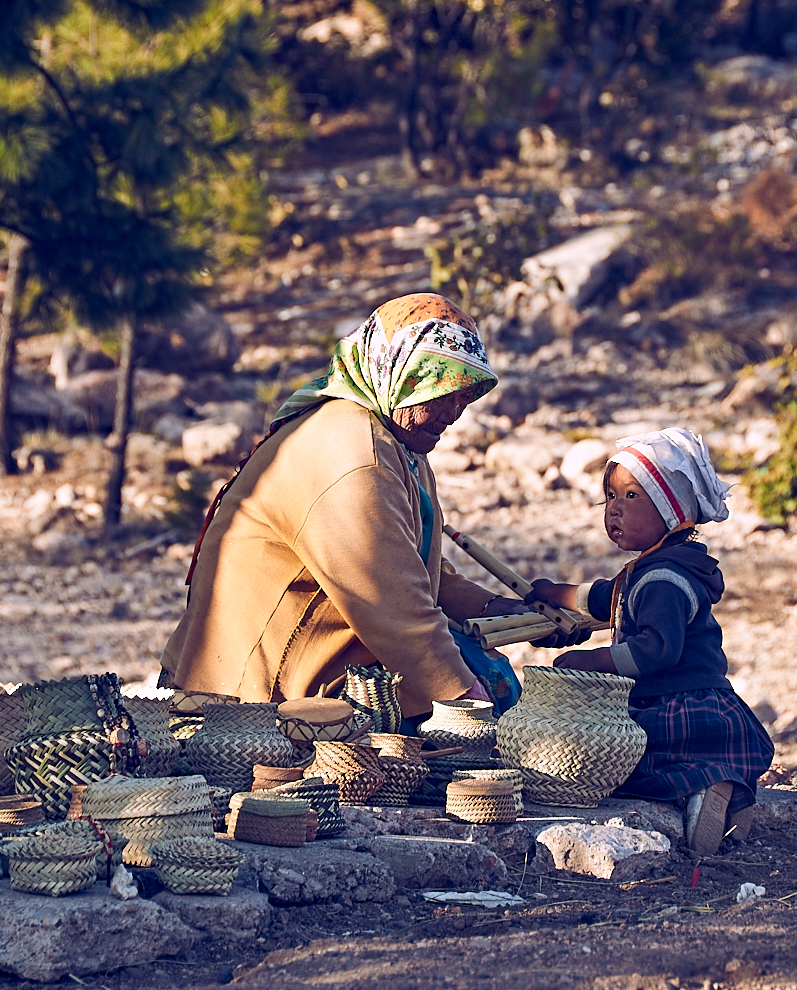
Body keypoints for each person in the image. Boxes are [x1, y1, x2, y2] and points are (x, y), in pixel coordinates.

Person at [161, 294, 537, 722]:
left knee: (483, 664)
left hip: (316, 658)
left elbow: (407, 565)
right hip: (252, 697)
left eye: (463, 397)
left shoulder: (400, 443)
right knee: (484, 693)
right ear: (400, 378)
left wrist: (495, 609)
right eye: (441, 394)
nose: (452, 414)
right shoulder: (353, 451)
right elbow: (392, 604)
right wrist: (464, 701)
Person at [527, 428, 774, 855]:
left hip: (679, 704)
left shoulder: (664, 580)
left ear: (671, 510)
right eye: (609, 497)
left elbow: (657, 649)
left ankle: (701, 795)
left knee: (620, 764)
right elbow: (607, 598)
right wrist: (556, 593)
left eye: (631, 497)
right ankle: (724, 794)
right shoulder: (650, 570)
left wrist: (592, 661)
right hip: (702, 705)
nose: (614, 510)